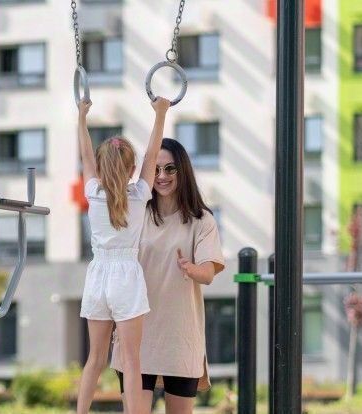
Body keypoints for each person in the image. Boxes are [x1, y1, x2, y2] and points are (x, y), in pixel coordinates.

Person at [111, 137, 226, 414]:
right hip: (136, 334)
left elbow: (208, 274)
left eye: (170, 168)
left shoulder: (202, 220)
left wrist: (191, 268)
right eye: (156, 169)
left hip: (180, 336)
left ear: (182, 170)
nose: (162, 176)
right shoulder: (135, 212)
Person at [73, 97, 169, 414]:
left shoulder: (92, 192)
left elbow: (85, 154)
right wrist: (160, 114)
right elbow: (152, 154)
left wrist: (82, 118)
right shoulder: (139, 195)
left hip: (97, 276)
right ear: (131, 169)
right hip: (126, 277)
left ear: (101, 168)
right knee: (131, 361)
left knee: (95, 359)